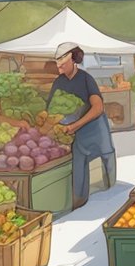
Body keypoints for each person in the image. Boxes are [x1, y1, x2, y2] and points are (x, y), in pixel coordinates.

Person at [49, 43, 115, 211]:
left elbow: (98, 107)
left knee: (106, 158)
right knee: (79, 165)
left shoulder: (86, 79)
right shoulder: (59, 82)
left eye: (62, 65)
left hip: (94, 128)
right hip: (75, 133)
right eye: (58, 65)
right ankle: (78, 202)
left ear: (73, 59)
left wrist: (75, 125)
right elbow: (50, 109)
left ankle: (112, 193)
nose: (59, 69)